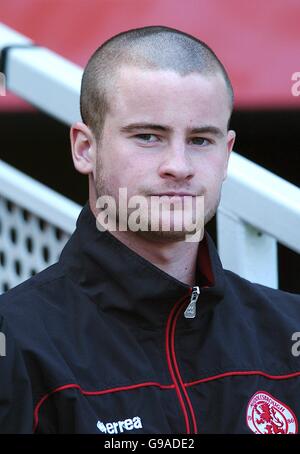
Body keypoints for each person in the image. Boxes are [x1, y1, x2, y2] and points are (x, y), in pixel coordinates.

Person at [0, 25, 299, 435]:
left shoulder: (289, 329)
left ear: (227, 154)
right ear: (85, 148)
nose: (178, 165)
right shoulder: (17, 345)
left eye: (200, 140)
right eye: (148, 136)